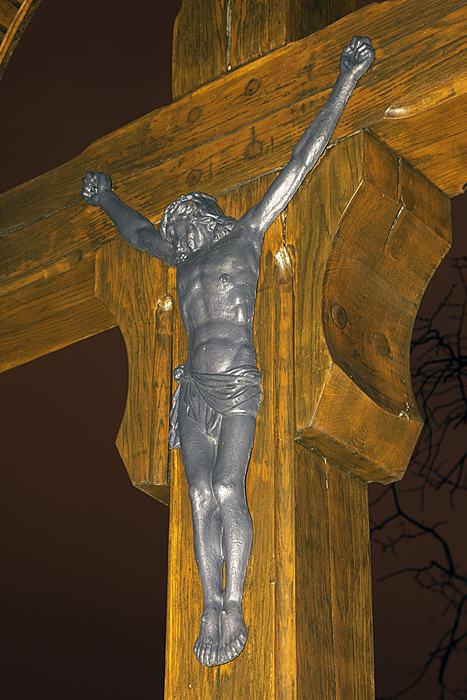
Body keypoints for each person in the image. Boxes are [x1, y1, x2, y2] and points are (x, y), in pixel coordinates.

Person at [81, 36, 374, 667]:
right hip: (193, 388)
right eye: (173, 229)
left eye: (182, 223)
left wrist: (347, 79)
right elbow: (138, 234)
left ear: (204, 217)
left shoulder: (243, 237)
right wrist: (106, 200)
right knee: (196, 497)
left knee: (224, 488)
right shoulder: (180, 259)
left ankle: (234, 602)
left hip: (237, 380)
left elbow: (301, 162)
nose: (175, 234)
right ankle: (210, 602)